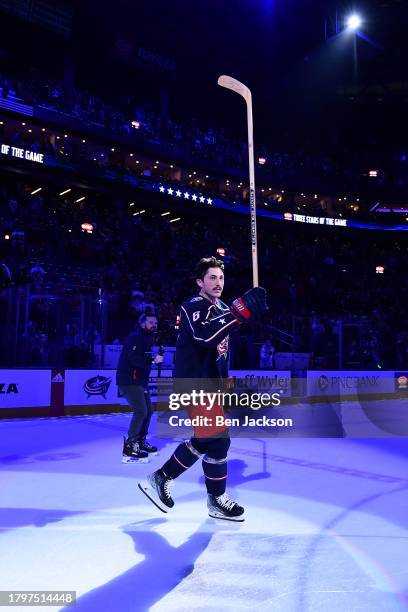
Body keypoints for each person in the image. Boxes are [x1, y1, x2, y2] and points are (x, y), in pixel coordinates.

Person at [138, 256, 267, 521]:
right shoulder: (193, 305)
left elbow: (220, 351)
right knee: (216, 439)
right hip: (194, 382)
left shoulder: (221, 306)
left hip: (211, 385)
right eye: (211, 277)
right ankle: (166, 480)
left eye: (220, 277)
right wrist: (238, 312)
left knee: (215, 442)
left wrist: (225, 379)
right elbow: (204, 337)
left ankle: (206, 496)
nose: (218, 282)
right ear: (200, 281)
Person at [117, 313, 163, 463]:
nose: (154, 325)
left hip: (140, 381)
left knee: (148, 410)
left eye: (155, 322)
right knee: (141, 411)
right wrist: (153, 359)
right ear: (142, 323)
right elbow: (133, 359)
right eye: (150, 322)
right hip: (129, 381)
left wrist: (152, 358)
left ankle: (140, 441)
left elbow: (142, 359)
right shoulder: (135, 338)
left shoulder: (148, 339)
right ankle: (130, 445)